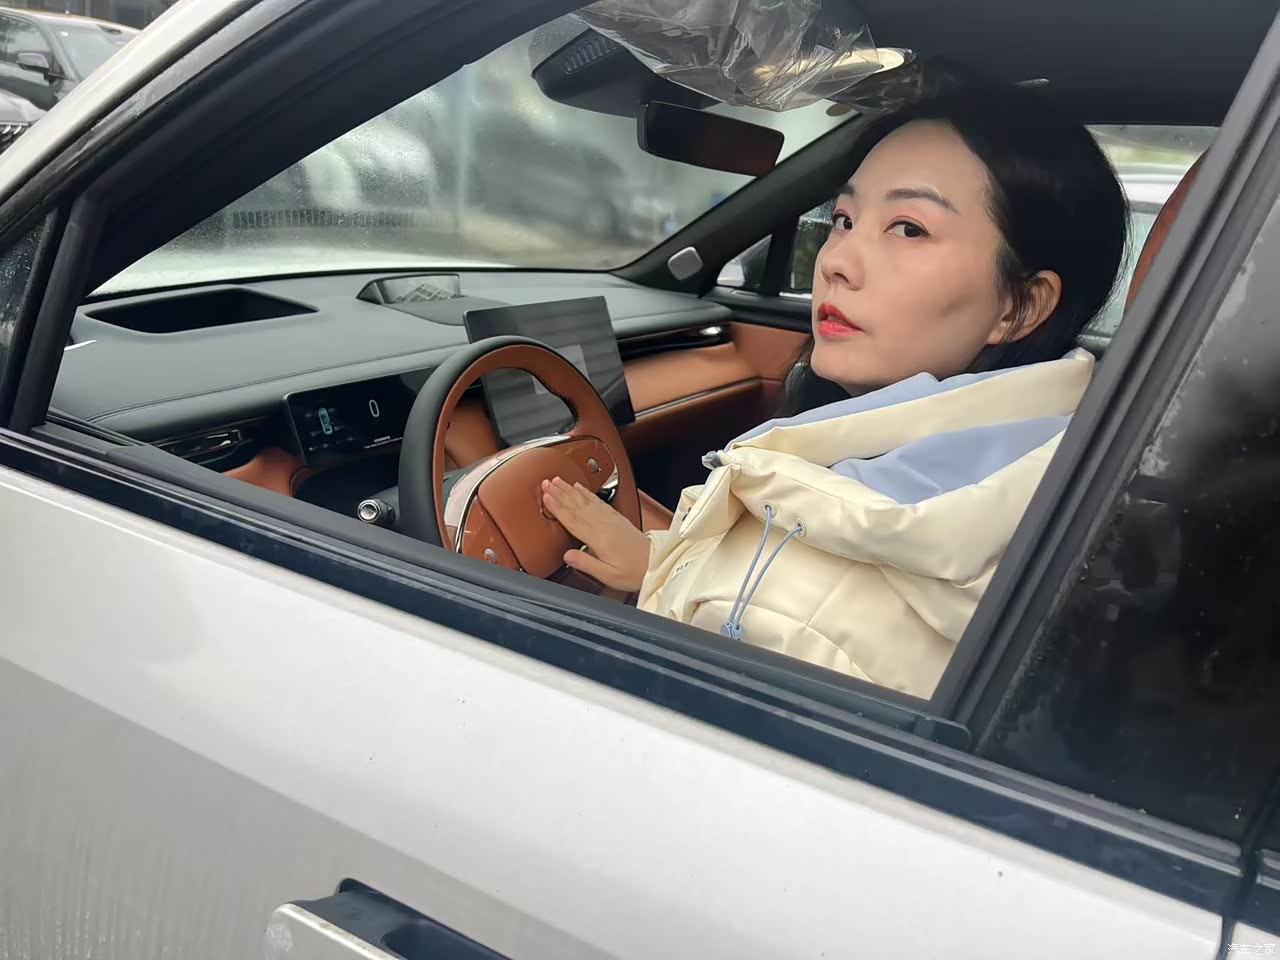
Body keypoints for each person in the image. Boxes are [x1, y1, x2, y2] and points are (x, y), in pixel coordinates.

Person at [541, 80, 1127, 697]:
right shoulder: (1055, 454)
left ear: (1019, 306)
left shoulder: (786, 612)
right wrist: (660, 565)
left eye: (908, 228)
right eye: (844, 219)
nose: (834, 260)